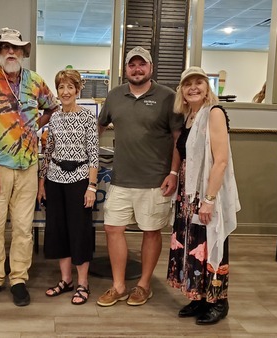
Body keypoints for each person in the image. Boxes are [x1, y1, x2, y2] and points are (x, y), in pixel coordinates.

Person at [0, 27, 59, 307]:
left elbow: (51, 107)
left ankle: (19, 278)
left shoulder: (36, 81)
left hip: (29, 166)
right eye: (6, 47)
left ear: (23, 52)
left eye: (16, 48)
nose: (11, 52)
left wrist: (34, 127)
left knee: (23, 226)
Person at [96, 46, 183, 307]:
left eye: (141, 64)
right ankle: (119, 285)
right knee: (112, 228)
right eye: (132, 65)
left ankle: (144, 285)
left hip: (156, 180)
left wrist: (173, 172)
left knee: (151, 231)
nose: (137, 69)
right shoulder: (114, 96)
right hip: (120, 178)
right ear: (125, 69)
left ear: (151, 68)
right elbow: (98, 128)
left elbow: (179, 139)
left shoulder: (168, 97)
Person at [167, 66, 240, 325]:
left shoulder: (214, 114)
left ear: (207, 89)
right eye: (188, 84)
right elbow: (183, 152)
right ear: (182, 93)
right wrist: (174, 175)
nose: (194, 87)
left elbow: (220, 161)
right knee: (192, 246)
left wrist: (208, 200)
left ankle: (218, 301)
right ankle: (198, 296)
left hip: (206, 193)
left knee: (210, 245)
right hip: (187, 193)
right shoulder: (190, 117)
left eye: (199, 82)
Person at [38, 70, 98, 305]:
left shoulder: (87, 118)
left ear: (77, 90)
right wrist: (42, 184)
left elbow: (94, 154)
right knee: (58, 230)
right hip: (54, 179)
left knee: (79, 231)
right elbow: (48, 152)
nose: (65, 92)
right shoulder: (53, 118)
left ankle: (83, 283)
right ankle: (66, 280)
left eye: (70, 87)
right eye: (61, 88)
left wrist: (91, 187)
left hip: (80, 180)